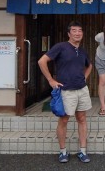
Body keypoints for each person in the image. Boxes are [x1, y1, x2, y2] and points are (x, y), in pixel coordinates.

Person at [38, 21, 92, 163]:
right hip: (66, 91)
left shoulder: (82, 51)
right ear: (69, 33)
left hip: (81, 89)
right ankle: (63, 152)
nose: (77, 33)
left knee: (82, 119)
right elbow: (42, 61)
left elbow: (89, 65)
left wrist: (84, 78)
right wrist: (50, 80)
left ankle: (83, 151)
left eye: (80, 30)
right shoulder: (61, 47)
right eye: (74, 30)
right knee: (64, 120)